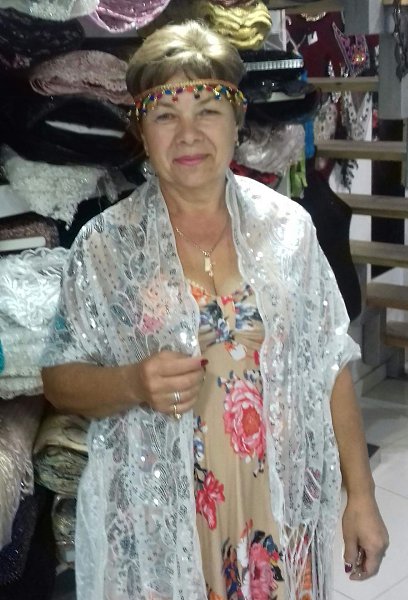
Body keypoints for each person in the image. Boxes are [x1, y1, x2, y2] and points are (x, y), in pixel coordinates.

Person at [41, 20, 388, 600]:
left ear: (236, 121)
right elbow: (58, 380)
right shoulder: (105, 248)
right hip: (165, 521)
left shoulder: (288, 230)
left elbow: (330, 365)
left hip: (274, 509)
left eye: (208, 110)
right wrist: (131, 383)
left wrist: (362, 496)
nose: (188, 135)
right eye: (164, 115)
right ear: (141, 130)